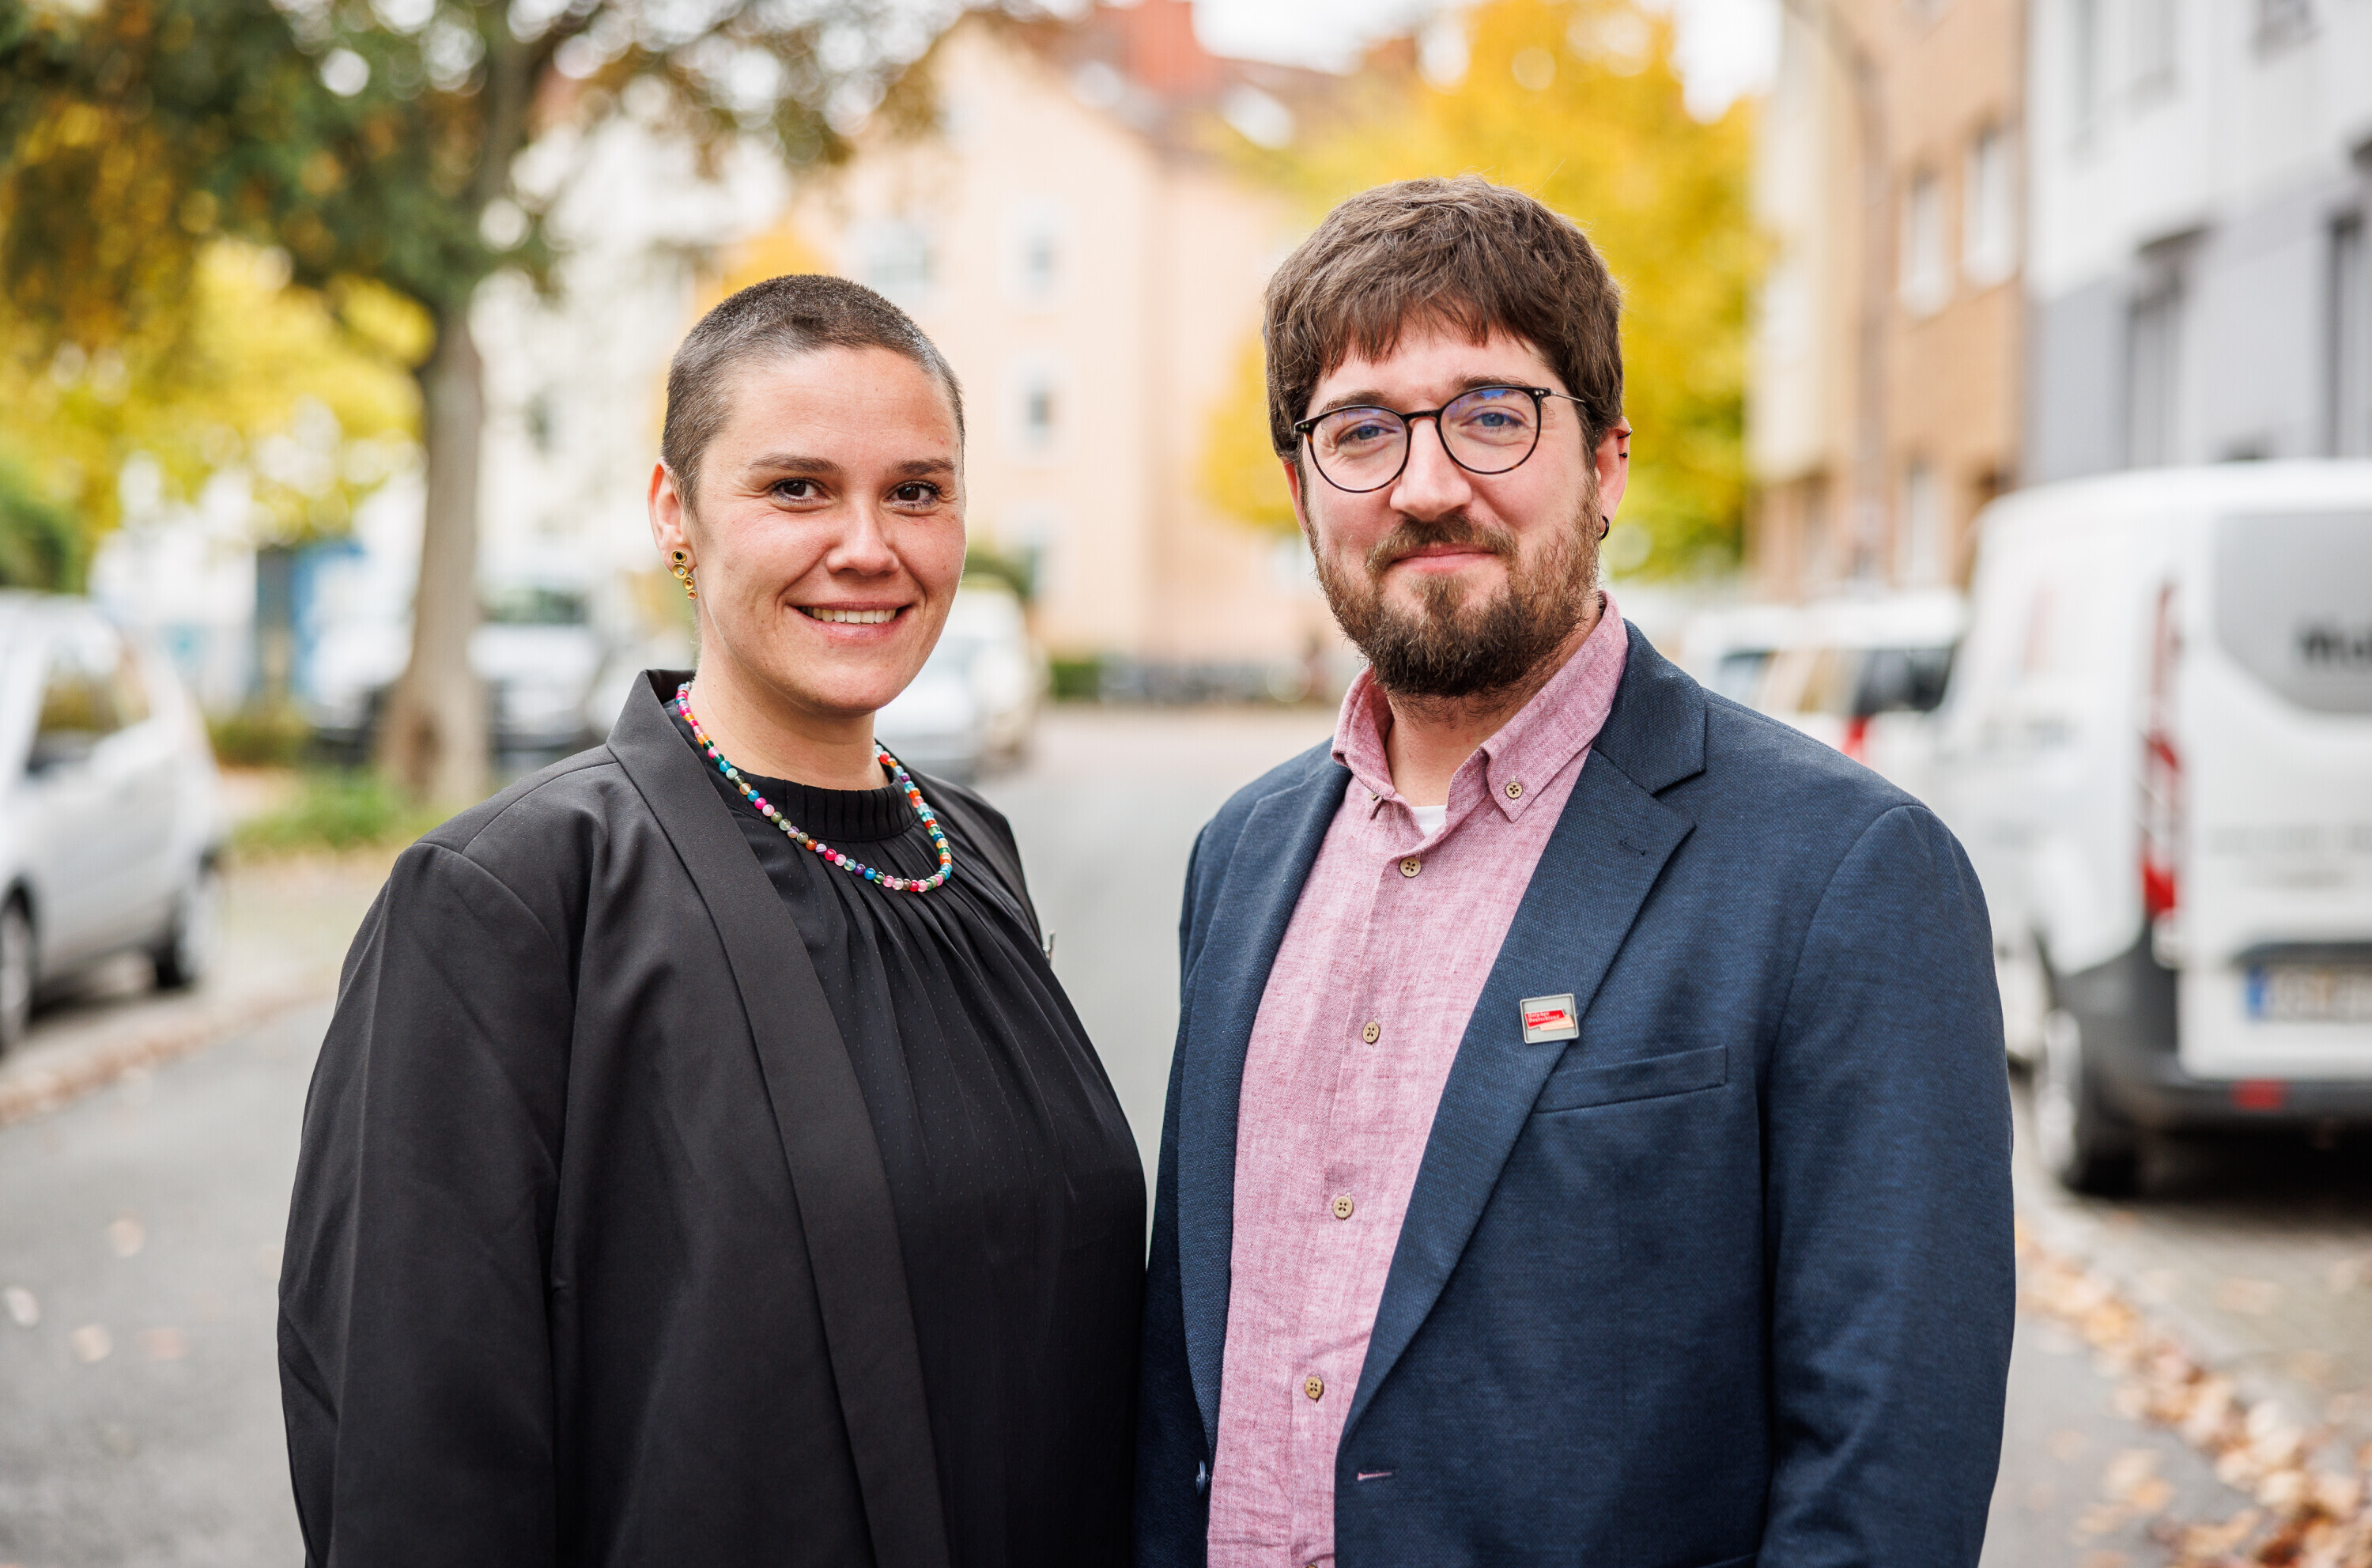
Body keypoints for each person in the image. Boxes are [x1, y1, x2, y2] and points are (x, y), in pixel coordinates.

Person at [1135, 176, 2014, 1566]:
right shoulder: (1240, 855)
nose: (1427, 485)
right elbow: (1183, 1368)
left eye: (1492, 414)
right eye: (1361, 430)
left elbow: (1889, 1467)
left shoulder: (1847, 872)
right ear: (1302, 488)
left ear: (1606, 463)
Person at [279, 275, 1143, 1568]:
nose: (869, 544)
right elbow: (413, 1452)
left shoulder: (973, 856)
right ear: (672, 513)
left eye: (917, 490)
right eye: (797, 488)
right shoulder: (514, 898)